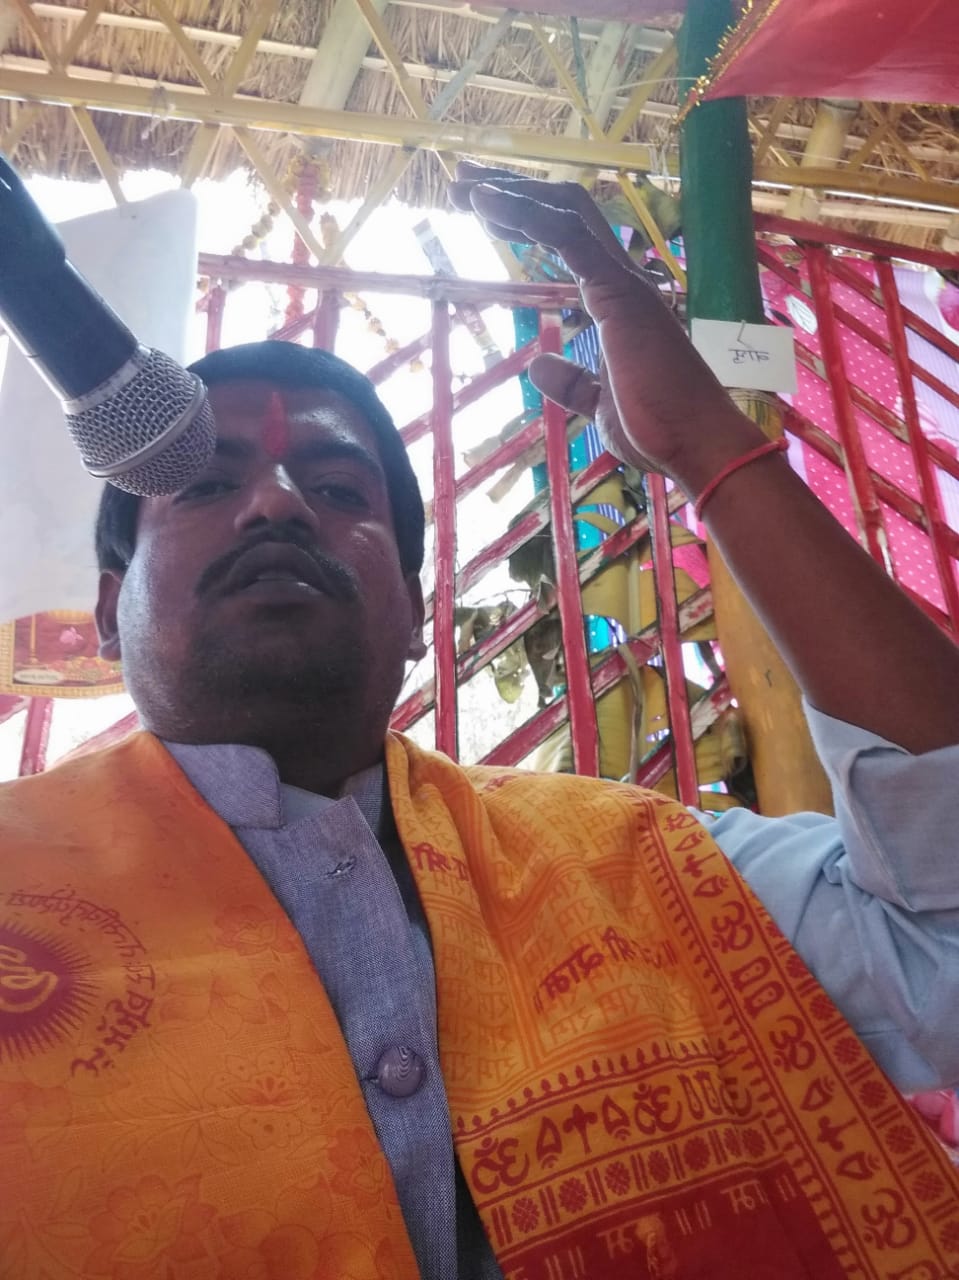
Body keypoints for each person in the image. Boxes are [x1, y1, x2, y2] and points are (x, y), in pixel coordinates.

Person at [1, 166, 957, 1280]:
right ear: (108, 611)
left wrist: (709, 451)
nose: (275, 503)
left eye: (340, 491)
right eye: (208, 485)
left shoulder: (652, 868)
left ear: (415, 614)